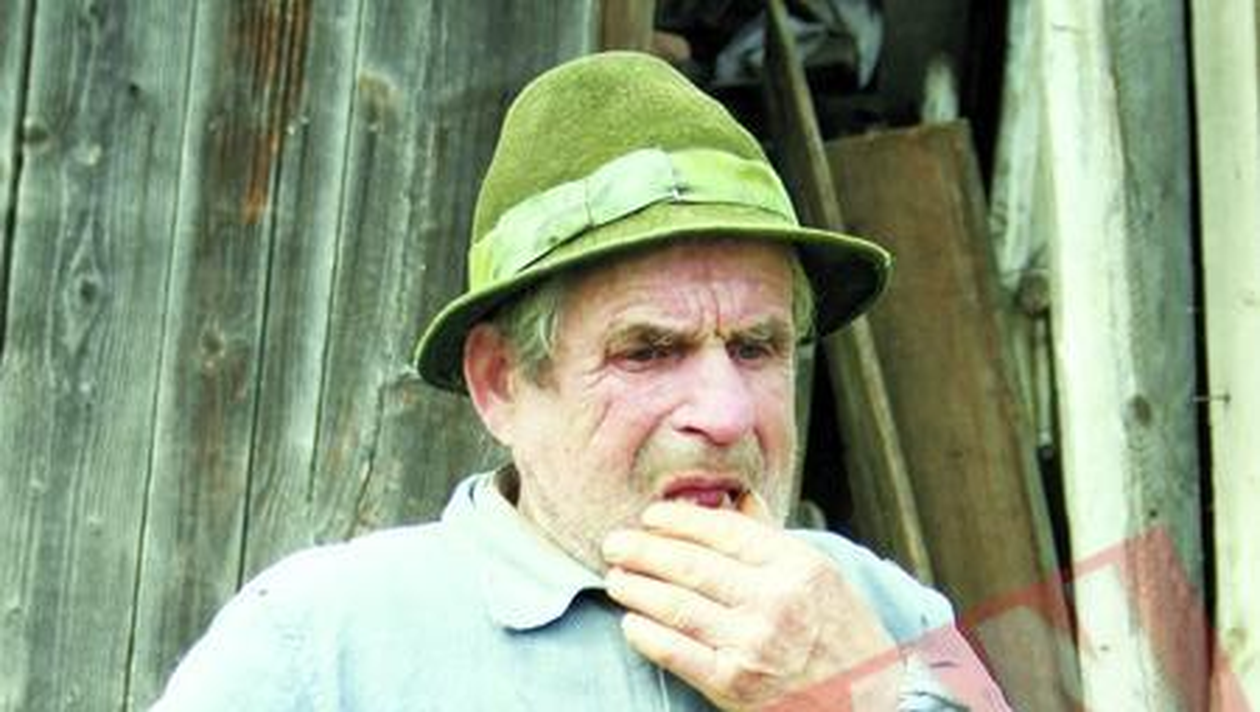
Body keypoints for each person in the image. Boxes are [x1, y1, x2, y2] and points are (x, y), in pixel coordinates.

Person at [154, 51, 1010, 711]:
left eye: (757, 348)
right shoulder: (317, 643)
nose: (724, 413)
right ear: (500, 383)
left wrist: (866, 695)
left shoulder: (886, 611)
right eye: (649, 352)